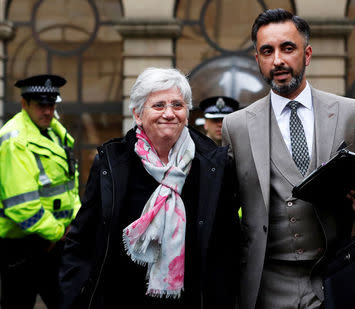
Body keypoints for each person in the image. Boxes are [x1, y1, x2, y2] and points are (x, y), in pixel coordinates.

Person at [221, 8, 355, 309]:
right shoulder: (236, 126)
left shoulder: (350, 113)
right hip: (265, 284)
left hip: (339, 275)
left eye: (288, 48)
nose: (278, 60)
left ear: (307, 54)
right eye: (267, 51)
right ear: (257, 59)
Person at [59, 67, 240, 309]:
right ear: (137, 114)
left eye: (178, 105)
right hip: (123, 299)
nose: (169, 113)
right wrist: (73, 298)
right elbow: (82, 239)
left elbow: (229, 245)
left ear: (187, 113)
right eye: (158, 106)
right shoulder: (112, 163)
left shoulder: (214, 165)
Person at [0, 74, 80, 309]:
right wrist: (59, 231)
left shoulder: (54, 132)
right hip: (24, 245)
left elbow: (68, 184)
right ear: (25, 104)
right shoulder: (16, 141)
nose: (47, 111)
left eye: (51, 104)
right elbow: (22, 205)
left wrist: (74, 221)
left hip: (55, 242)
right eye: (41, 105)